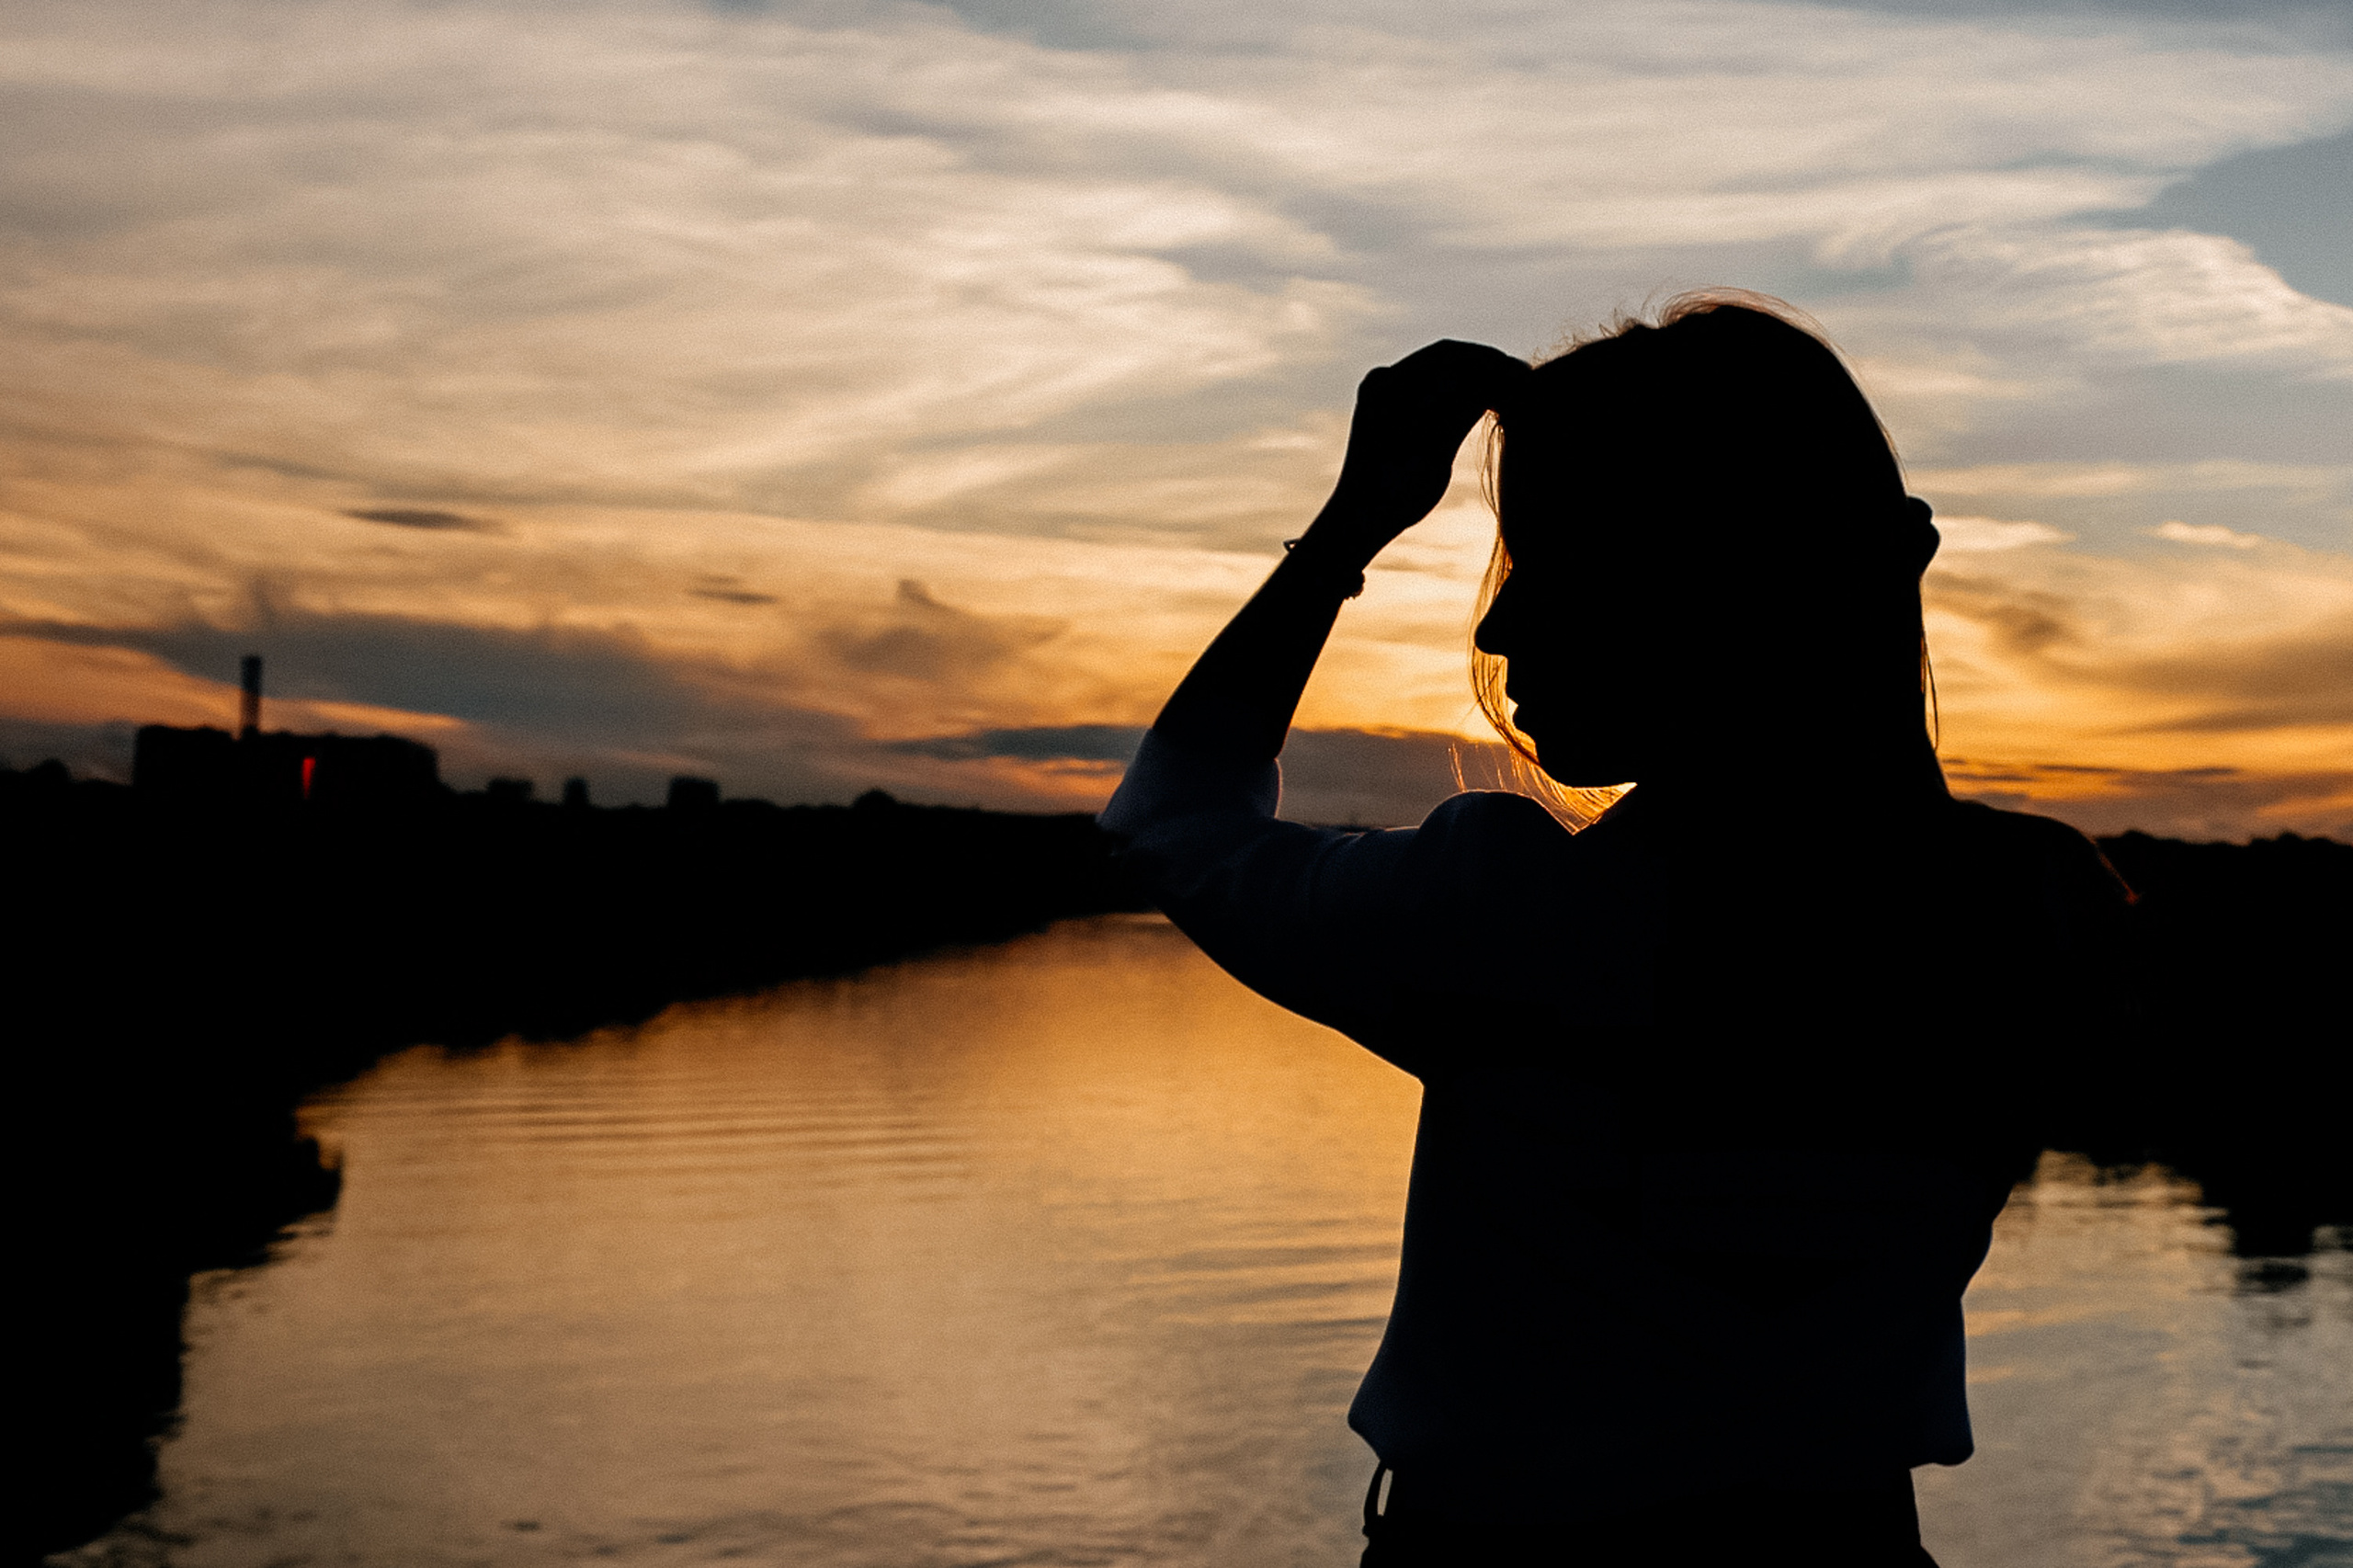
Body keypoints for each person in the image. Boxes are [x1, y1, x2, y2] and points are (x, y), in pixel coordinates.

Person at [1098, 291, 2131, 1567]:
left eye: (1549, 564)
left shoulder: (1511, 915)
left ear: (1693, 587)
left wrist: (1353, 523)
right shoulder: (2033, 910)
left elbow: (1168, 817)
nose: (1496, 624)